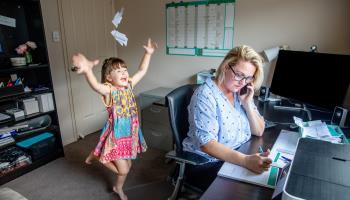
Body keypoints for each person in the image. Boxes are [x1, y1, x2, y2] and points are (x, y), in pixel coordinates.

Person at [71, 38, 157, 200]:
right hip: (116, 135)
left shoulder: (129, 85)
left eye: (124, 69)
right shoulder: (109, 91)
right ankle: (115, 184)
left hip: (129, 133)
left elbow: (142, 71)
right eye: (118, 71)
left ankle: (100, 159)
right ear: (109, 78)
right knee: (123, 170)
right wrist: (88, 71)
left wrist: (148, 54)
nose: (124, 73)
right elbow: (96, 85)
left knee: (129, 165)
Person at [182, 45, 272, 190]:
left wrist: (247, 104)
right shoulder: (205, 95)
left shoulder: (240, 92)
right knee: (252, 190)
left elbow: (259, 130)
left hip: (236, 155)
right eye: (239, 75)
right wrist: (245, 160)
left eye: (248, 78)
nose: (243, 82)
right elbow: (207, 144)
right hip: (206, 163)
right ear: (225, 67)